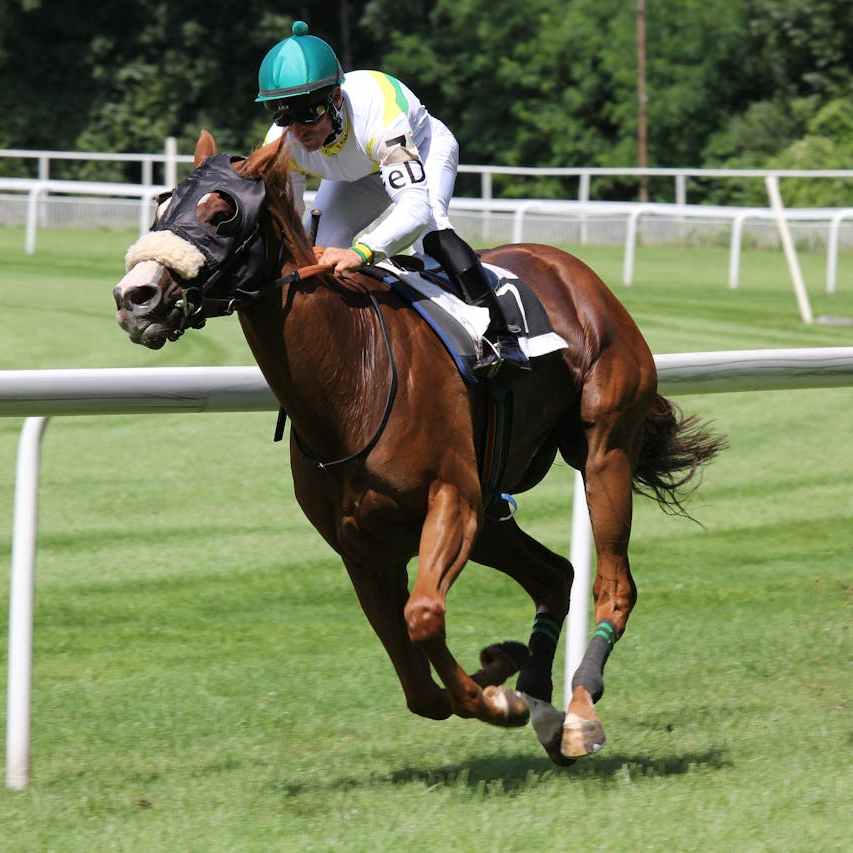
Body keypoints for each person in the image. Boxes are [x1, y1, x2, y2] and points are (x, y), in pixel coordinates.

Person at [256, 21, 529, 375]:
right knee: (316, 248)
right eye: (284, 115)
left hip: (423, 150)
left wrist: (361, 252)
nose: (297, 130)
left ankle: (501, 333)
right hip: (356, 175)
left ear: (336, 99)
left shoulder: (379, 114)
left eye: (308, 113)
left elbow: (414, 209)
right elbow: (289, 226)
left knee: (430, 231)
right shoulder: (280, 143)